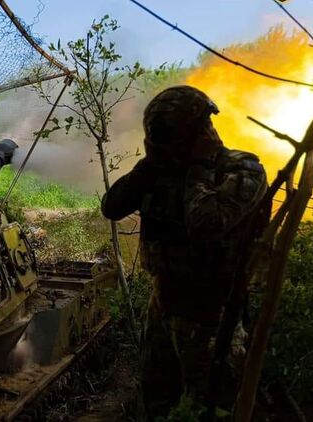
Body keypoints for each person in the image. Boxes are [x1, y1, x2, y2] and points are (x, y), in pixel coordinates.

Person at [101, 85, 270, 419]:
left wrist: (199, 166)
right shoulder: (163, 168)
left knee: (209, 407)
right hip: (165, 301)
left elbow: (204, 223)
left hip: (211, 312)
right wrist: (149, 165)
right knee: (157, 400)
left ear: (199, 132)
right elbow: (112, 207)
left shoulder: (240, 170)